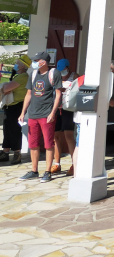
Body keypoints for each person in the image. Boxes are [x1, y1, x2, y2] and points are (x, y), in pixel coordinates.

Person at [18, 52, 62, 183]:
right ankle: (34, 170)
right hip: (33, 115)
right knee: (33, 144)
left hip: (46, 114)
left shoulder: (54, 73)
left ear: (44, 61)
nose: (35, 62)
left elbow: (59, 94)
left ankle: (47, 171)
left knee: (48, 143)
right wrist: (22, 113)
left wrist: (52, 113)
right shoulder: (33, 75)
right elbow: (28, 94)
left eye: (37, 60)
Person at [72, 60, 114, 177]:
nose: (111, 73)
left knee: (79, 145)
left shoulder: (83, 78)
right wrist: (111, 102)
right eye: (111, 70)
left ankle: (77, 173)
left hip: (80, 117)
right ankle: (80, 174)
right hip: (88, 118)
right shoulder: (97, 80)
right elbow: (101, 100)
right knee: (83, 146)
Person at [0, 54, 31, 165]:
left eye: (18, 63)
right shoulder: (17, 76)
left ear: (23, 66)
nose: (16, 65)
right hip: (10, 106)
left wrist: (5, 87)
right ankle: (5, 151)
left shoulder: (23, 77)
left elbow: (6, 88)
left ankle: (17, 153)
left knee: (14, 130)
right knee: (7, 129)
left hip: (17, 106)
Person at [51, 59, 77, 175]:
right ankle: (57, 164)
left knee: (69, 136)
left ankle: (74, 164)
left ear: (68, 67)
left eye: (63, 69)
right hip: (56, 108)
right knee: (56, 136)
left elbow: (79, 90)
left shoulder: (75, 76)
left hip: (68, 109)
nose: (62, 72)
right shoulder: (55, 76)